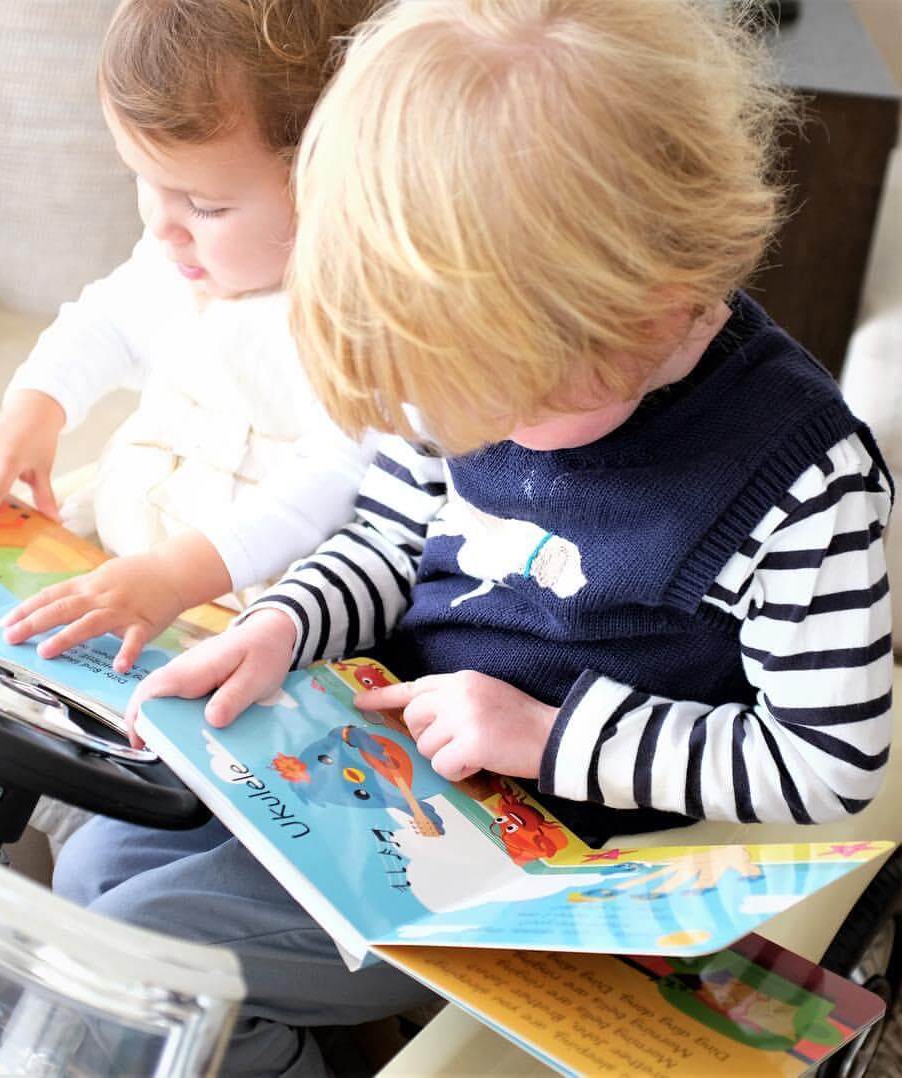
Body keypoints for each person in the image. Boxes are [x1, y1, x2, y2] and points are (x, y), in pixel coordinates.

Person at [56, 1, 894, 1071]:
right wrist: (283, 623)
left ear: (647, 314)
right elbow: (395, 532)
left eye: (492, 407)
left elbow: (828, 764)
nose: (456, 429)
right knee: (95, 862)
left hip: (559, 858)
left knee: (142, 948)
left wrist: (544, 734)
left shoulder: (802, 484)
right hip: (385, 766)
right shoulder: (476, 336)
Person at [0, 0, 378, 675]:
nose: (161, 223)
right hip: (118, 553)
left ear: (338, 182)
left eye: (205, 204)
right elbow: (106, 321)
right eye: (141, 179)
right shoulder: (180, 257)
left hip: (238, 622)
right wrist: (36, 406)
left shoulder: (361, 320)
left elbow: (331, 481)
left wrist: (177, 574)